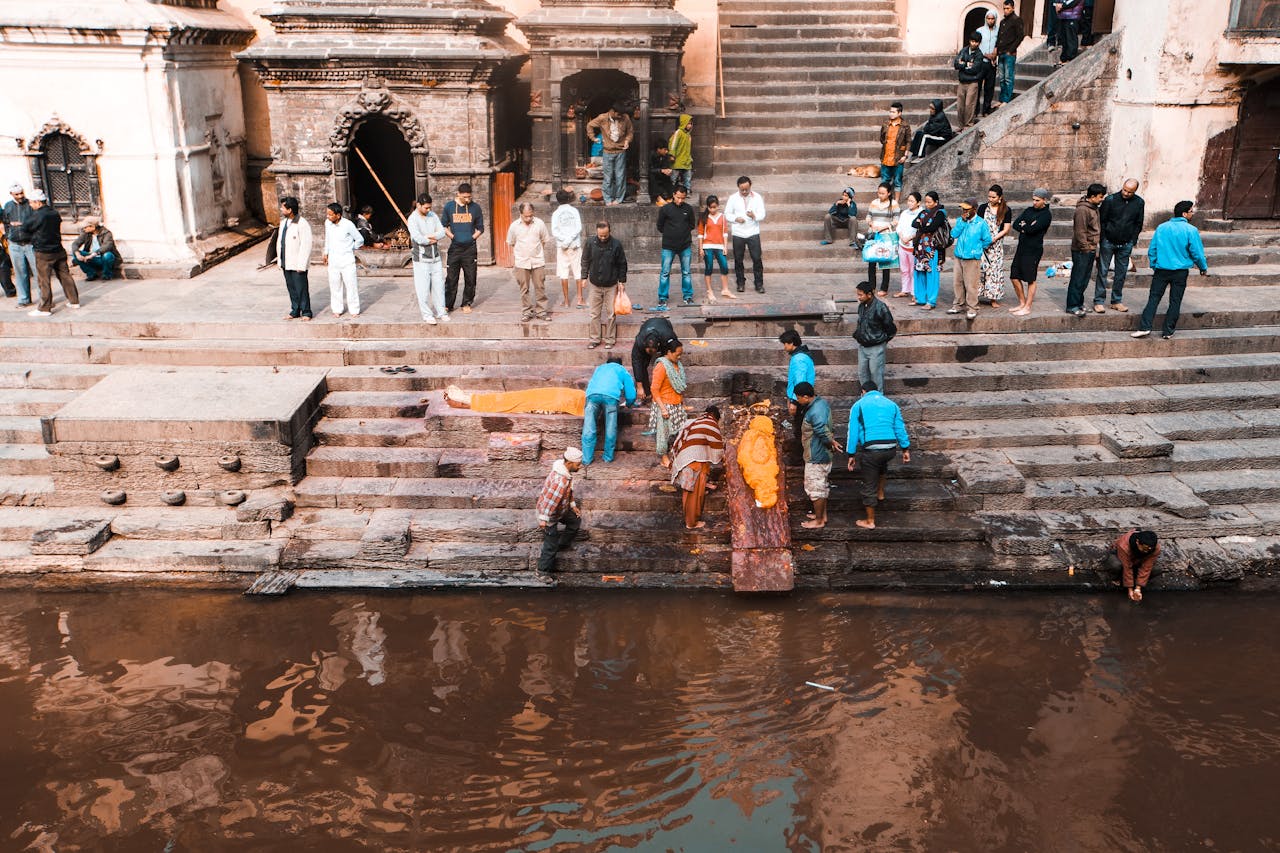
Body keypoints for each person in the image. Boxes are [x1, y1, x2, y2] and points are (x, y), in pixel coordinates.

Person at [1132, 200, 1208, 340]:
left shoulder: (1161, 227)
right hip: (1180, 271)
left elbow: (1152, 250)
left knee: (1153, 299)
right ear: (1184, 214)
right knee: (1175, 300)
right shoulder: (1191, 230)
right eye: (1191, 211)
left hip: (1161, 270)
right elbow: (1197, 252)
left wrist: (1155, 264)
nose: (1192, 214)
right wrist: (1203, 268)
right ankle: (1168, 331)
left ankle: (1144, 327)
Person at [845, 381, 910, 530]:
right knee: (882, 466)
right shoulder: (891, 404)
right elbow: (899, 427)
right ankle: (880, 493)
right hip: (890, 449)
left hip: (871, 449)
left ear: (863, 391)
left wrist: (851, 454)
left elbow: (852, 432)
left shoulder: (858, 405)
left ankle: (870, 521)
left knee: (869, 484)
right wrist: (905, 449)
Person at [792, 383, 842, 530]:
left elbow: (821, 429)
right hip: (821, 454)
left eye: (798, 397)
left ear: (806, 397)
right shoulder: (821, 404)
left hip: (817, 456)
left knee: (815, 488)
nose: (797, 400)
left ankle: (819, 521)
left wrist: (831, 441)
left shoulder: (815, 410)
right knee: (822, 486)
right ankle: (822, 515)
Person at [23, 189, 80, 316]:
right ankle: (74, 301)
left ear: (38, 202)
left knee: (44, 280)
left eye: (31, 203)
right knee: (65, 276)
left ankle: (44, 308)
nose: (30, 205)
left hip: (44, 252)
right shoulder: (54, 213)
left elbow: (25, 228)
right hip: (58, 249)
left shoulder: (37, 215)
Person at [669, 406, 725, 530]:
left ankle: (704, 485)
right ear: (715, 416)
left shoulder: (694, 421)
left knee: (690, 489)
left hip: (683, 459)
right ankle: (691, 523)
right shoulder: (711, 423)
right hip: (692, 463)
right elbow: (717, 447)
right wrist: (723, 455)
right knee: (691, 493)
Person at [1095, 179, 1144, 313]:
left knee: (1121, 273)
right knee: (1103, 271)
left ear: (1135, 191)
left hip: (1126, 243)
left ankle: (1116, 300)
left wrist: (1132, 240)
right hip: (1108, 241)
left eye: (1130, 192)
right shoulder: (1110, 200)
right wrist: (1103, 238)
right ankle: (1099, 300)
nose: (1126, 193)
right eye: (1125, 190)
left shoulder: (1139, 203)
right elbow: (1102, 220)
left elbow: (1138, 223)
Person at [535, 446, 584, 574]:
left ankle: (562, 544)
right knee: (550, 546)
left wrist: (573, 506)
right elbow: (550, 501)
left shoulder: (566, 473)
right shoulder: (559, 481)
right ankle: (542, 572)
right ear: (569, 463)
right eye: (578, 465)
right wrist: (543, 519)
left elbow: (569, 492)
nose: (580, 467)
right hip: (550, 515)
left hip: (561, 509)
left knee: (575, 522)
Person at [582, 355, 637, 466]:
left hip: (592, 396)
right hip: (611, 399)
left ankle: (587, 459)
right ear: (620, 364)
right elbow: (631, 394)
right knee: (610, 428)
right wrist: (629, 404)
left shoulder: (600, 368)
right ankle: (608, 457)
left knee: (589, 427)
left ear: (607, 363)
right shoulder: (622, 370)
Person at [582, 220, 628, 349]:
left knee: (611, 313)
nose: (602, 238)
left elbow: (622, 264)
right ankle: (594, 339)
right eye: (600, 235)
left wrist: (622, 281)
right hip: (595, 283)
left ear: (609, 232)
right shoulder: (590, 243)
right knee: (594, 313)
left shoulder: (616, 244)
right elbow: (585, 260)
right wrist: (583, 277)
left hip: (611, 284)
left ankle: (610, 340)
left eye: (605, 235)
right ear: (596, 232)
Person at [1009, 188, 1053, 315]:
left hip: (1033, 250)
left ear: (1044, 200)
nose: (1034, 202)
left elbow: (1033, 229)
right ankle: (1022, 302)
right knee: (1014, 276)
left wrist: (1026, 226)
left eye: (1037, 200)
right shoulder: (1028, 210)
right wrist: (1027, 226)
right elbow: (1016, 224)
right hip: (1022, 247)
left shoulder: (1046, 215)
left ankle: (1027, 306)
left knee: (1030, 279)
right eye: (1033, 200)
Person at [442, 182, 484, 314]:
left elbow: (480, 228)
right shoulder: (449, 207)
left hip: (470, 249)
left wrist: (472, 238)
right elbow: (443, 225)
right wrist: (453, 237)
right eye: (464, 197)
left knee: (470, 277)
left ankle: (466, 302)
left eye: (469, 197)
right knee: (451, 278)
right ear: (458, 194)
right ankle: (448, 304)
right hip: (455, 248)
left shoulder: (475, 208)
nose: (467, 200)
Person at [947, 198, 992, 320]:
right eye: (963, 208)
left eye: (967, 209)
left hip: (972, 258)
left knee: (971, 284)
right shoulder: (961, 221)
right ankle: (958, 305)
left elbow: (987, 240)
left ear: (974, 209)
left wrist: (976, 250)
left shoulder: (981, 223)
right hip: (959, 256)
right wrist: (961, 221)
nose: (964, 211)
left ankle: (972, 307)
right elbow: (953, 234)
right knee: (958, 282)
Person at [506, 202, 551, 323]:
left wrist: (536, 252)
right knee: (524, 288)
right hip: (521, 262)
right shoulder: (514, 226)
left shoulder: (540, 223)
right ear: (520, 214)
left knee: (540, 287)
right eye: (525, 216)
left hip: (537, 261)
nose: (528, 218)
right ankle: (527, 312)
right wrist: (521, 253)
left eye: (530, 215)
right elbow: (511, 242)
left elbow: (544, 240)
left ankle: (541, 311)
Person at [1065, 183, 1106, 317]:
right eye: (1100, 197)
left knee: (1084, 278)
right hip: (1082, 250)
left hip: (1091, 248)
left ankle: (1079, 303)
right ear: (1092, 196)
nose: (1102, 199)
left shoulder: (1094, 208)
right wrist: (1086, 248)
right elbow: (1080, 231)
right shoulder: (1083, 210)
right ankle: (1072, 305)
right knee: (1078, 278)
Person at [407, 193, 447, 324]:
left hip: (435, 257)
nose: (428, 210)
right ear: (418, 205)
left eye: (430, 207)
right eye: (426, 208)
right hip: (421, 259)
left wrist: (429, 236)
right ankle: (427, 314)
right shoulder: (412, 219)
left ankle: (441, 312)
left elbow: (442, 232)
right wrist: (430, 239)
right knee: (423, 288)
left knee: (439, 286)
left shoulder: (433, 215)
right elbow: (418, 238)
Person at [649, 339, 688, 468]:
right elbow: (654, 389)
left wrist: (682, 404)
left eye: (681, 353)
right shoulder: (661, 366)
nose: (680, 356)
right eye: (678, 354)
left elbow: (679, 387)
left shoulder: (678, 365)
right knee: (663, 433)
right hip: (665, 405)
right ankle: (664, 457)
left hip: (677, 403)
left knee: (680, 431)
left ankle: (677, 452)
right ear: (669, 352)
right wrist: (663, 409)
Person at [724, 176, 766, 293]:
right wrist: (736, 218)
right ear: (738, 187)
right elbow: (727, 214)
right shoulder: (733, 198)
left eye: (746, 189)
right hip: (738, 233)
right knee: (738, 259)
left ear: (750, 186)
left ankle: (759, 283)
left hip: (753, 232)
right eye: (742, 189)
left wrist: (754, 216)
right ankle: (740, 282)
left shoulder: (757, 197)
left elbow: (762, 214)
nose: (744, 192)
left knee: (757, 259)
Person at [656, 185, 696, 309]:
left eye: (683, 198)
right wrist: (670, 234)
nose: (680, 200)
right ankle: (662, 298)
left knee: (686, 272)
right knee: (665, 272)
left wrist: (682, 233)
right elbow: (660, 226)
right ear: (673, 195)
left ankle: (688, 296)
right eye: (678, 197)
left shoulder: (688, 209)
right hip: (668, 246)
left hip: (685, 245)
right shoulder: (665, 209)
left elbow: (691, 225)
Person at [586, 102, 634, 205]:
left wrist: (627, 140)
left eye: (621, 114)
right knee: (608, 177)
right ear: (612, 112)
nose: (620, 116)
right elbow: (590, 125)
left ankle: (618, 199)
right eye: (618, 114)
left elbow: (630, 132)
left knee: (620, 176)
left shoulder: (625, 118)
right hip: (607, 152)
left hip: (620, 151)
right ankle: (608, 199)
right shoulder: (602, 118)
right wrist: (593, 138)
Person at [322, 203, 365, 317]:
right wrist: (326, 252)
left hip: (347, 260)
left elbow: (360, 239)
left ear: (338, 215)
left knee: (351, 285)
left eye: (331, 215)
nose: (328, 217)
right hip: (333, 260)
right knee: (335, 285)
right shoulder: (328, 223)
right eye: (327, 214)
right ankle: (337, 309)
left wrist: (351, 247)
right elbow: (328, 239)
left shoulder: (348, 225)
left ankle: (354, 310)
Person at [853, 281, 897, 390]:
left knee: (876, 376)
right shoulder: (862, 306)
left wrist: (881, 341)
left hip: (876, 348)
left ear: (869, 294)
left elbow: (891, 328)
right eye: (857, 294)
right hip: (863, 347)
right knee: (862, 374)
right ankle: (865, 398)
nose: (858, 297)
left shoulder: (881, 307)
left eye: (860, 294)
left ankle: (878, 400)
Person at [276, 196, 312, 321]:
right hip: (286, 261)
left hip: (298, 263)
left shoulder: (302, 224)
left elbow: (306, 245)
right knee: (291, 288)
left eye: (283, 207)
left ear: (290, 210)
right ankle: (295, 310)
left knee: (301, 288)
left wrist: (302, 264)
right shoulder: (283, 223)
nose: (281, 209)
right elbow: (280, 243)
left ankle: (306, 312)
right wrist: (280, 260)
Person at [977, 184, 1012, 308]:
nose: (990, 199)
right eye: (989, 197)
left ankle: (993, 298)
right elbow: (978, 224)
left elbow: (1006, 229)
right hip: (982, 244)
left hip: (996, 245)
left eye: (993, 197)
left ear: (1000, 197)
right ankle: (976, 295)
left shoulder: (1006, 210)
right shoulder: (982, 208)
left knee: (994, 271)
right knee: (980, 270)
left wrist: (993, 239)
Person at [910, 191, 946, 310]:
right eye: (926, 202)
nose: (927, 204)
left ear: (936, 202)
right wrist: (923, 226)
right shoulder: (924, 212)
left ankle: (931, 301)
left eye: (929, 202)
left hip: (932, 248)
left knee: (931, 274)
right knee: (919, 272)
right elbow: (914, 223)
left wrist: (922, 225)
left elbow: (932, 227)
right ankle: (920, 298)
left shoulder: (940, 213)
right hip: (920, 248)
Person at [1102, 529, 1160, 603]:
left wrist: (1138, 588)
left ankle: (1136, 581)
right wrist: (1130, 590)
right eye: (1144, 549)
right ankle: (1118, 580)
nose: (1147, 551)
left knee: (1156, 569)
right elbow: (1127, 567)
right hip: (1120, 557)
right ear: (1137, 542)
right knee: (1116, 565)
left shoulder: (1155, 548)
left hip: (1137, 561)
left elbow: (1146, 567)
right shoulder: (1124, 545)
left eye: (1149, 549)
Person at [444, 385, 585, 415]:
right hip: (548, 396)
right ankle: (464, 400)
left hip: (550, 400)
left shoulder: (581, 399)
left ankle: (465, 401)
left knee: (508, 401)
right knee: (508, 400)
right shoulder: (581, 397)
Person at [551, 188, 585, 308]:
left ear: (557, 200)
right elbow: (578, 228)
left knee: (564, 273)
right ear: (569, 199)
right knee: (578, 271)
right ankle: (580, 299)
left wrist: (565, 241)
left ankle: (566, 301)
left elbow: (555, 231)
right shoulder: (574, 211)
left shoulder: (555, 213)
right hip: (574, 244)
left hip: (563, 246)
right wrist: (570, 239)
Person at [4, 184, 37, 307]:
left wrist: (24, 225)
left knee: (38, 272)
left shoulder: (30, 204)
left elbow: (36, 221)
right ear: (11, 194)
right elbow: (6, 222)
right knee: (20, 273)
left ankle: (44, 299)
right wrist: (9, 234)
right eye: (17, 194)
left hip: (30, 243)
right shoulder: (8, 206)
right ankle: (24, 299)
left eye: (21, 193)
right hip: (15, 244)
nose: (20, 196)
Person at [864, 182, 900, 296]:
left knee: (885, 262)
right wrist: (870, 223)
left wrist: (884, 226)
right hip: (874, 234)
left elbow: (896, 220)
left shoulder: (894, 204)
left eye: (883, 193)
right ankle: (871, 286)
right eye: (879, 193)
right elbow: (869, 215)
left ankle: (884, 287)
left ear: (889, 193)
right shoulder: (874, 203)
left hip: (886, 235)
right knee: (871, 261)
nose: (880, 195)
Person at [698, 195, 735, 302]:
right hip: (707, 246)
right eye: (710, 207)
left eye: (714, 207)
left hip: (719, 246)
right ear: (707, 207)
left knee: (724, 267)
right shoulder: (704, 218)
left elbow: (725, 232)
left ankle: (725, 289)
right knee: (709, 268)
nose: (712, 209)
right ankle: (709, 291)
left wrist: (725, 246)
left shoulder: (722, 217)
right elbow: (700, 234)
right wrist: (701, 248)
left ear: (718, 206)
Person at [631, 316, 676, 403]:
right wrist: (639, 387)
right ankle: (647, 394)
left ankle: (663, 392)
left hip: (664, 325)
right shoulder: (639, 341)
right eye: (649, 353)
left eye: (653, 353)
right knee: (642, 365)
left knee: (666, 365)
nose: (651, 355)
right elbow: (636, 362)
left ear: (658, 346)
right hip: (647, 324)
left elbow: (675, 349)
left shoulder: (668, 336)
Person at [878, 103, 911, 202]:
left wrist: (905, 155)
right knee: (884, 180)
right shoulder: (885, 124)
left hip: (898, 158)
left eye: (893, 112)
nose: (891, 114)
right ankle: (884, 200)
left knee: (897, 181)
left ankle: (896, 202)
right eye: (890, 111)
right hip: (886, 157)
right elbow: (881, 138)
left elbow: (909, 141)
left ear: (899, 113)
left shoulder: (905, 126)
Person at [995, 0, 1026, 105]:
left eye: (1008, 8)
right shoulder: (1003, 22)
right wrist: (996, 49)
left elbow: (1020, 36)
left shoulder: (1016, 20)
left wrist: (1010, 50)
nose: (1006, 10)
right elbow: (999, 36)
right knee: (1002, 77)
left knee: (1008, 77)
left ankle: (1006, 100)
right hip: (1001, 52)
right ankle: (1002, 98)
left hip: (1009, 53)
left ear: (1013, 8)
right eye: (1004, 8)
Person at [70, 217, 120, 281]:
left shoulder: (106, 233)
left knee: (107, 255)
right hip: (91, 258)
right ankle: (91, 273)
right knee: (75, 252)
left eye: (85, 227)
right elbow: (75, 244)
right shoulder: (86, 233)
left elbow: (107, 246)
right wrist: (77, 254)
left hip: (103, 258)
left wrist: (92, 255)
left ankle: (106, 275)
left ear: (92, 226)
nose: (84, 229)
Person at [953, 33, 987, 128]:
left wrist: (963, 65)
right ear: (969, 41)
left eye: (976, 42)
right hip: (962, 81)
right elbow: (956, 64)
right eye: (972, 41)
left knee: (969, 105)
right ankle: (960, 126)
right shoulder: (963, 51)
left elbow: (975, 69)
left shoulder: (979, 55)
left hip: (972, 82)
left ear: (979, 43)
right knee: (960, 106)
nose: (973, 43)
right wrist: (967, 65)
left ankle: (968, 126)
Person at [894, 192, 921, 299]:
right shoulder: (904, 213)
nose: (909, 203)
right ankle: (905, 289)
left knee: (913, 270)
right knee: (904, 269)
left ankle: (915, 292)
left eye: (912, 201)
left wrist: (909, 238)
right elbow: (899, 227)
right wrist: (902, 237)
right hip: (902, 244)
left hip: (912, 246)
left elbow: (919, 230)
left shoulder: (921, 213)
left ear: (918, 203)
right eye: (908, 201)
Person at [780, 330, 816, 412]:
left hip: (800, 400)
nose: (784, 347)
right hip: (801, 397)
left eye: (784, 343)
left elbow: (800, 381)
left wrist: (794, 401)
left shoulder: (798, 359)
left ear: (791, 343)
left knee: (799, 423)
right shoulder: (801, 355)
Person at [977, 10, 1000, 117]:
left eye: (992, 18)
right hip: (982, 62)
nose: (990, 21)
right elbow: (977, 46)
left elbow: (999, 45)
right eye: (988, 18)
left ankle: (986, 110)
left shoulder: (999, 31)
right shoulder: (980, 31)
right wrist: (987, 55)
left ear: (995, 19)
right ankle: (976, 111)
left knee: (989, 87)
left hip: (992, 63)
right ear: (985, 19)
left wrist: (994, 55)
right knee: (977, 87)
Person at [668, 113, 693, 193]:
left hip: (686, 160)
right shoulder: (678, 133)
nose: (690, 125)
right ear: (683, 123)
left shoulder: (688, 135)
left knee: (688, 177)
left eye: (691, 124)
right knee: (674, 177)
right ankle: (672, 191)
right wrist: (672, 154)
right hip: (678, 159)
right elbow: (673, 144)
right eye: (688, 123)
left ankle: (687, 191)